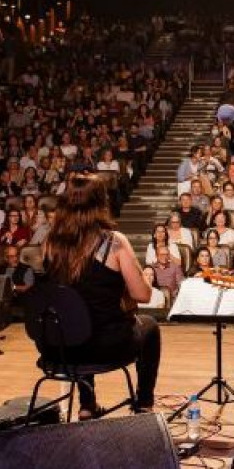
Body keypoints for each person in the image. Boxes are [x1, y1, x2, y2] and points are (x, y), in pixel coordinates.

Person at [42, 173, 160, 415]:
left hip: (59, 346)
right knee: (150, 327)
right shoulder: (114, 242)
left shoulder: (50, 242)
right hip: (104, 346)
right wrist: (146, 278)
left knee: (81, 321)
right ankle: (144, 404)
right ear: (101, 203)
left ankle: (87, 405)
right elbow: (142, 295)